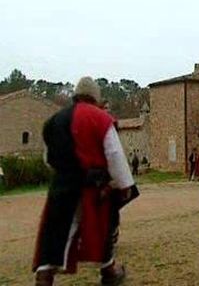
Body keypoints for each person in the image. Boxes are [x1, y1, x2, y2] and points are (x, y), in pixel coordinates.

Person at [32, 76, 139, 286]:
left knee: (56, 230)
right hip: (92, 189)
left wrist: (64, 174)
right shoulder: (101, 118)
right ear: (95, 97)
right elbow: (114, 154)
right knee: (102, 226)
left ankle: (44, 276)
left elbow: (48, 158)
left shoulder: (54, 121)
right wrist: (124, 184)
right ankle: (109, 271)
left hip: (61, 186)